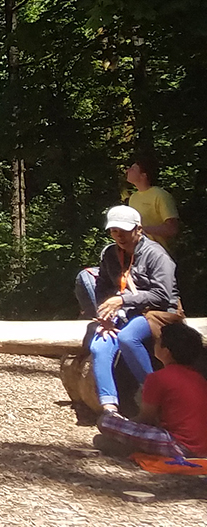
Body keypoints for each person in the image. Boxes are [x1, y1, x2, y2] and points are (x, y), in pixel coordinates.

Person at [86, 205, 182, 412]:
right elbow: (102, 286)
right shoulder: (110, 254)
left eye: (124, 230)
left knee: (128, 338)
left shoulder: (156, 255)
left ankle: (156, 397)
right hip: (125, 310)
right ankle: (109, 407)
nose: (119, 236)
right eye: (114, 231)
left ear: (138, 229)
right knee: (99, 346)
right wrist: (105, 314)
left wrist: (122, 300)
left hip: (158, 311)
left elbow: (162, 295)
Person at [95, 322, 207, 459]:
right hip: (203, 447)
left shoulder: (157, 378)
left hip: (177, 444)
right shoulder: (199, 378)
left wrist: (127, 423)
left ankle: (123, 448)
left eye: (158, 341)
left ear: (166, 351)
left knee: (106, 421)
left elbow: (146, 418)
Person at [126, 156, 181, 245]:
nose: (127, 171)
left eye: (133, 169)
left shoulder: (160, 195)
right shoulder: (133, 198)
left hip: (160, 251)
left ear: (143, 175)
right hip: (138, 251)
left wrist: (142, 230)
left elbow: (172, 229)